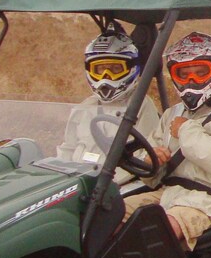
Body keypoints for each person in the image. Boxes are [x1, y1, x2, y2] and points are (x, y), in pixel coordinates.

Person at [125, 31, 211, 250]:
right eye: (183, 74)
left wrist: (186, 130)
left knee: (159, 231)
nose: (191, 81)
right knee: (113, 215)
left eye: (200, 73)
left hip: (209, 201)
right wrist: (151, 162)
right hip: (169, 193)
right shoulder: (174, 113)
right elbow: (151, 170)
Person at [57, 22, 161, 180]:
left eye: (115, 69)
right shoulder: (85, 107)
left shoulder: (141, 105)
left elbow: (147, 156)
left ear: (131, 68)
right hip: (80, 182)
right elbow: (67, 150)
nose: (106, 76)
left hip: (117, 186)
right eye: (100, 70)